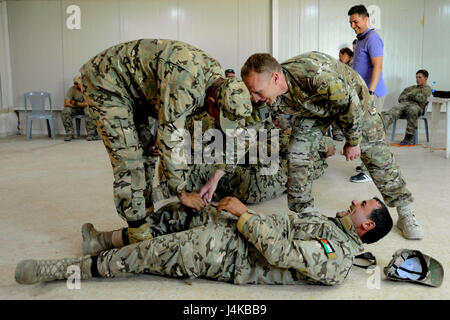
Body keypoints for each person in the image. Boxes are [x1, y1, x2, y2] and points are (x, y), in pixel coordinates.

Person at [79, 39, 252, 245]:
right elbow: (172, 138)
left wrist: (214, 179)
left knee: (149, 154)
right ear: (212, 103)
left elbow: (172, 124)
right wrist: (182, 192)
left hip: (139, 92)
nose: (216, 121)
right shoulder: (186, 84)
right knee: (130, 160)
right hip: (107, 81)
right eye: (218, 116)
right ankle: (138, 235)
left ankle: (146, 219)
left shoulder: (222, 84)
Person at [240, 51, 423, 240]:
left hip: (354, 104)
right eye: (251, 92)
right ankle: (306, 213)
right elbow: (250, 128)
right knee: (297, 154)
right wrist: (218, 173)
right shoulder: (264, 94)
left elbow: (349, 106)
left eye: (257, 91)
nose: (254, 97)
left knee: (376, 154)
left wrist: (353, 141)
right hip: (313, 109)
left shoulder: (316, 75)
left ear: (275, 78)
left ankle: (405, 212)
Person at [15, 195, 392, 286]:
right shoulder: (332, 224)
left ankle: (65, 270)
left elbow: (279, 251)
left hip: (236, 257)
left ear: (366, 228)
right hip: (243, 230)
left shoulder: (338, 259)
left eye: (362, 206)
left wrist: (244, 215)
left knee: (150, 253)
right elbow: (282, 227)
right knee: (179, 211)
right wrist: (233, 211)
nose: (354, 203)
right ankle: (103, 241)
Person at [349, 5, 389, 183]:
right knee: (365, 131)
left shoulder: (373, 38)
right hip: (363, 93)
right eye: (350, 22)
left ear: (366, 19)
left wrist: (370, 92)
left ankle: (370, 172)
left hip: (372, 93)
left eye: (355, 21)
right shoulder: (361, 39)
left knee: (371, 133)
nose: (352, 25)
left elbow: (377, 66)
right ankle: (368, 165)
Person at [381, 70, 432, 145]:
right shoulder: (411, 88)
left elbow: (421, 99)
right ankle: (380, 131)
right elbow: (401, 98)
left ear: (426, 78)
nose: (417, 79)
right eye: (416, 77)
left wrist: (409, 96)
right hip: (404, 105)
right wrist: (413, 96)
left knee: (412, 110)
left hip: (417, 107)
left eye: (420, 77)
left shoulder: (427, 89)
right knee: (394, 110)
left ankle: (409, 137)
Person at [61, 76, 98, 141]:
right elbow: (66, 103)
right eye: (76, 83)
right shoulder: (71, 89)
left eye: (79, 83)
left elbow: (89, 103)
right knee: (65, 111)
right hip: (75, 109)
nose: (77, 85)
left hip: (85, 108)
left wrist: (75, 102)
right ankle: (69, 134)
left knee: (89, 110)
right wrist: (80, 104)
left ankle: (91, 134)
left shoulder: (88, 89)